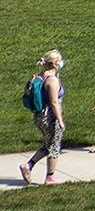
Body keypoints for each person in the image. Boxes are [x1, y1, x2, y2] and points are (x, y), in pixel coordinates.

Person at [20, 50, 64, 185]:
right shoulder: (52, 81)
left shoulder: (40, 76)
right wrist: (60, 120)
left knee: (49, 144)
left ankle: (29, 165)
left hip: (39, 117)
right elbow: (54, 102)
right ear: (55, 63)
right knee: (55, 147)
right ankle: (49, 177)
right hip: (49, 117)